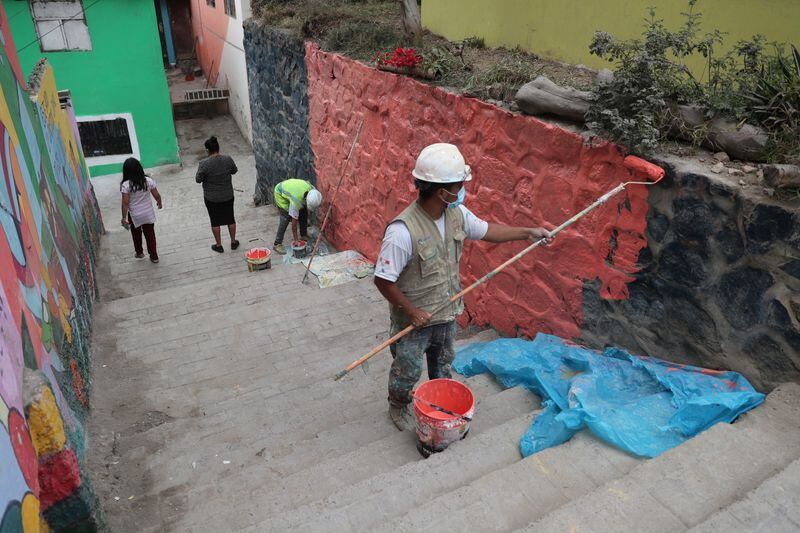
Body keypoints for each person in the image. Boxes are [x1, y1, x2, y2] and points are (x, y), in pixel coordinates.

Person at [374, 143, 554, 431]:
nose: (462, 190)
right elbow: (383, 280)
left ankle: (438, 402)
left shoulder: (457, 214)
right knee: (406, 371)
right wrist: (411, 310)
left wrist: (528, 232)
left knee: (443, 367)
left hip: (446, 314)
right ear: (440, 189)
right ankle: (398, 404)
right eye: (459, 185)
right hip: (413, 320)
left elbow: (487, 230)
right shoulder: (402, 232)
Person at [196, 136, 239, 253]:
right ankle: (233, 242)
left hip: (211, 198)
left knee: (215, 221)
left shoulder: (204, 163)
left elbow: (198, 179)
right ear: (218, 147)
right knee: (230, 218)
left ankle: (219, 245)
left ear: (207, 150)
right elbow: (234, 171)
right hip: (227, 195)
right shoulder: (227, 159)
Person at [120, 157, 162, 263]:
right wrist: (159, 202)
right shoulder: (148, 180)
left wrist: (124, 217)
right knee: (150, 235)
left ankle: (139, 253)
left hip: (134, 216)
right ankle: (154, 256)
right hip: (148, 213)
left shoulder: (126, 185)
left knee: (136, 234)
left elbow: (125, 203)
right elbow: (156, 194)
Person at [272, 178, 323, 255]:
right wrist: (296, 239)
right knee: (285, 217)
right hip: (280, 192)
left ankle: (303, 235)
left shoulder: (312, 190)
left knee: (303, 211)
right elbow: (294, 223)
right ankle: (277, 244)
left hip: (292, 188)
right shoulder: (296, 200)